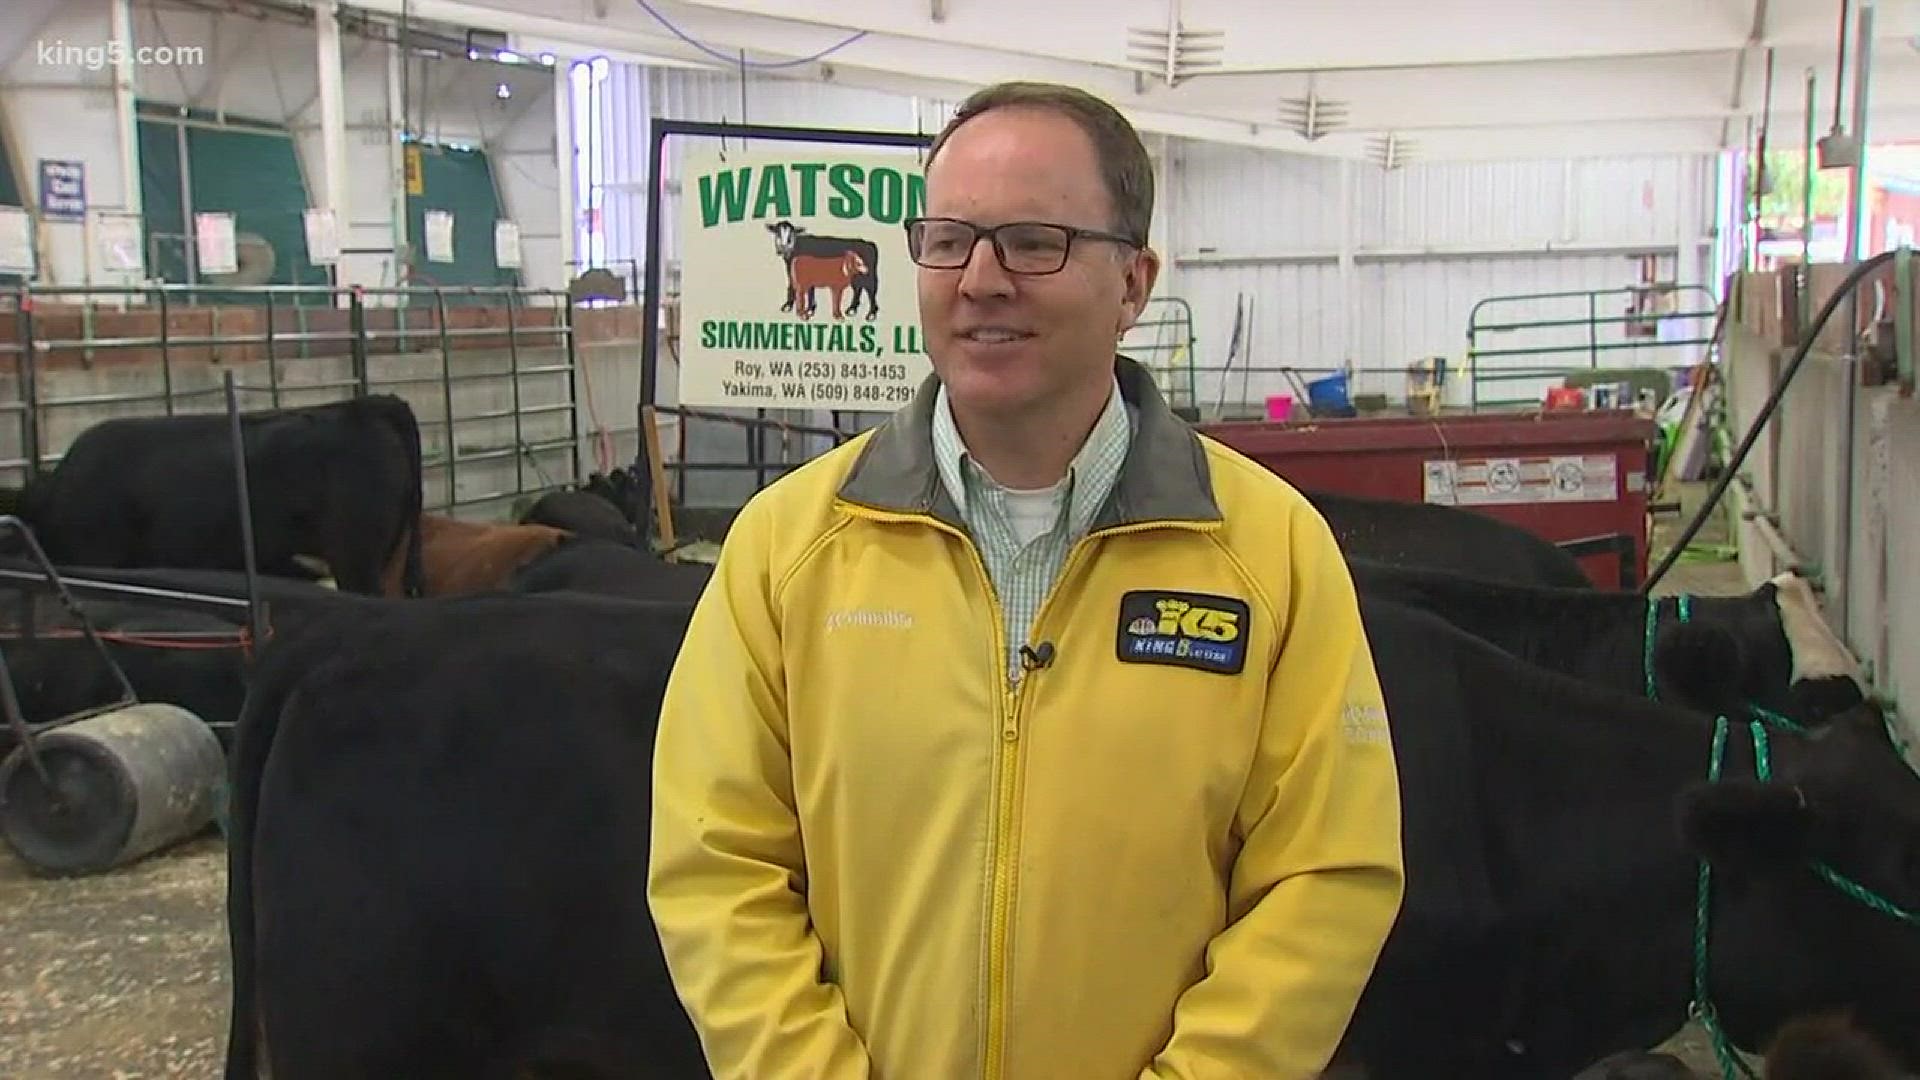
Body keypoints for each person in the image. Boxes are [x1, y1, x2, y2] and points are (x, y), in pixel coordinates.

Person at [647, 80, 1405, 1080]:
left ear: (1134, 283)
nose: (981, 279)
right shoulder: (787, 551)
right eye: (950, 238)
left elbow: (1325, 877)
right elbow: (716, 865)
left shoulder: (1270, 556)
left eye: (1034, 241)